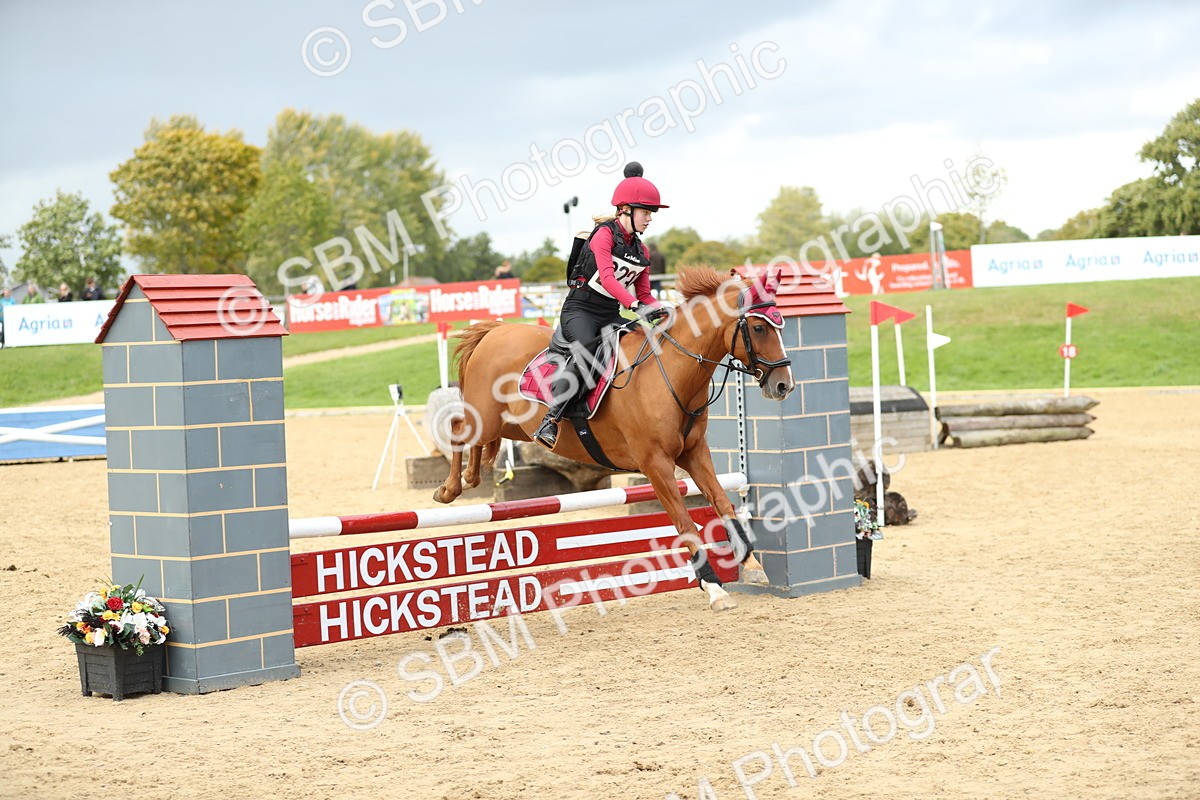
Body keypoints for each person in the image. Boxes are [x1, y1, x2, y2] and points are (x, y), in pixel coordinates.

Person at [533, 162, 671, 449]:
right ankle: (551, 419)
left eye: (651, 214)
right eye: (646, 213)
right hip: (580, 312)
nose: (650, 219)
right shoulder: (604, 235)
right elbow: (607, 279)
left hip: (610, 314)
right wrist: (634, 304)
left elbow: (645, 293)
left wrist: (664, 309)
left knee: (645, 345)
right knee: (587, 354)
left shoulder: (641, 250)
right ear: (626, 211)